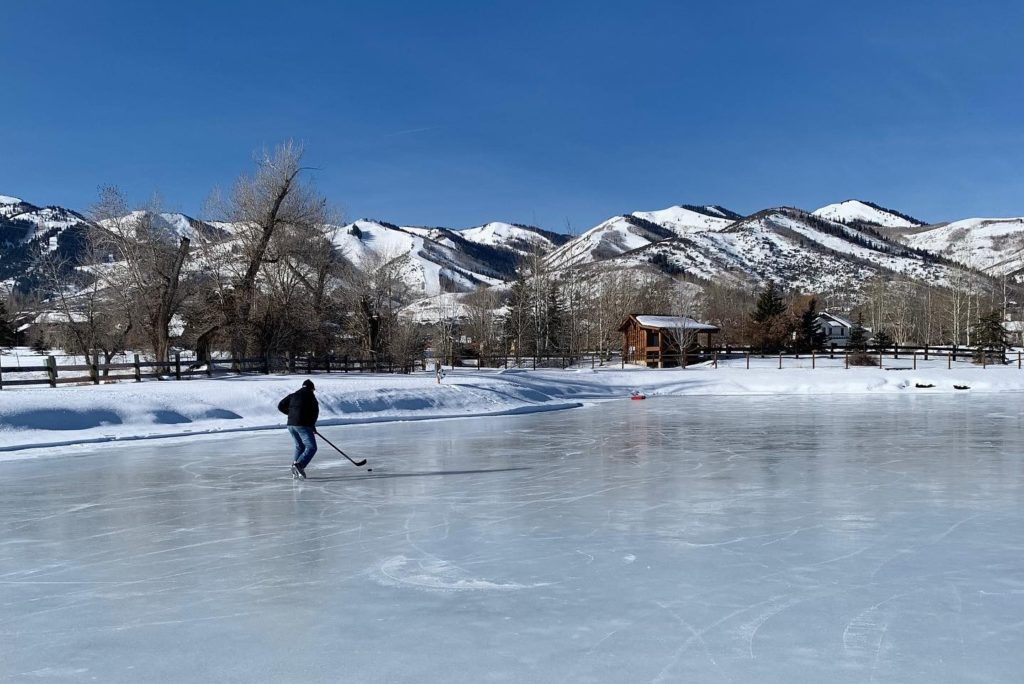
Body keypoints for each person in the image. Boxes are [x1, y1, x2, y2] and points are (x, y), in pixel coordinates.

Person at [278, 379, 319, 479]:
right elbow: (315, 412)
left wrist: (292, 414)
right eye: (313, 389)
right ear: (311, 388)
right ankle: (299, 465)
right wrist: (312, 425)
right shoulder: (310, 396)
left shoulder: (293, 395)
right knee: (311, 447)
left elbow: (280, 405)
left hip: (291, 425)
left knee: (299, 446)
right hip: (302, 425)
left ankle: (295, 467)